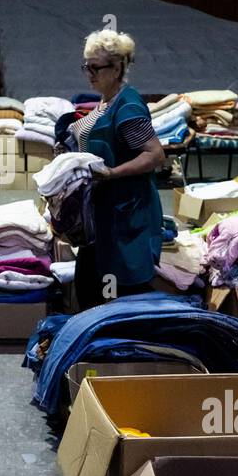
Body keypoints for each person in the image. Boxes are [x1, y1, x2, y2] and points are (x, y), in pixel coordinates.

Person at [69, 29, 165, 310]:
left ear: (118, 67)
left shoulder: (128, 106)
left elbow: (154, 154)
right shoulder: (106, 100)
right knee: (91, 284)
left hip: (124, 214)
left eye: (96, 67)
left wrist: (112, 173)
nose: (89, 73)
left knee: (117, 289)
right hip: (104, 212)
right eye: (86, 65)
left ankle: (122, 349)